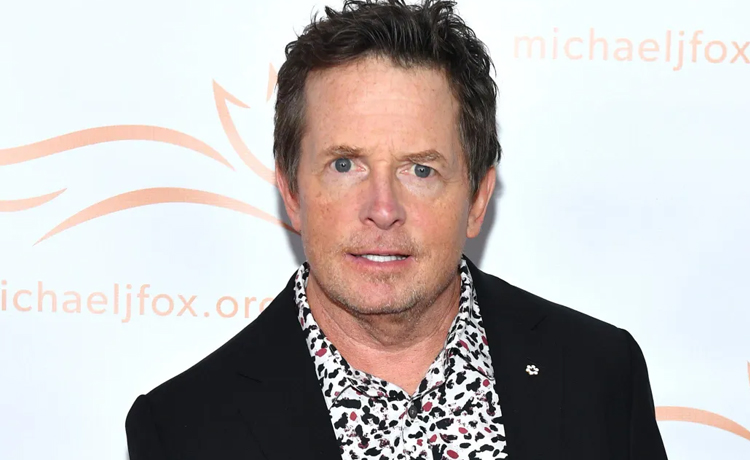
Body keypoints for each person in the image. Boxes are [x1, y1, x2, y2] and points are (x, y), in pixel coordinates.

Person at [125, 1, 668, 459]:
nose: (383, 209)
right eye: (345, 165)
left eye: (420, 169)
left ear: (477, 198)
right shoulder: (183, 429)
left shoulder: (599, 373)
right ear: (291, 191)